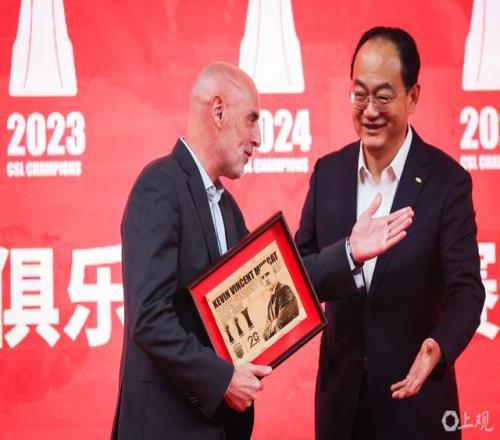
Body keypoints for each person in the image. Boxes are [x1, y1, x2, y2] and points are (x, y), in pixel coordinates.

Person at [295, 27, 485, 440]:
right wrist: (347, 254)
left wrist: (440, 346)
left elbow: (467, 290)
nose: (369, 110)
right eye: (359, 94)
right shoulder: (328, 174)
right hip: (341, 410)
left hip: (416, 404)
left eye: (383, 97)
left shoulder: (447, 182)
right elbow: (297, 276)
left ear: (413, 97)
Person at [110, 62, 272, 440]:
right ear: (218, 111)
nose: (259, 138)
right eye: (251, 119)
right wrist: (222, 379)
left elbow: (271, 281)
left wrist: (348, 253)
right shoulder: (160, 186)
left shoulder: (227, 208)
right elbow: (149, 318)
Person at [259, 262, 299, 340]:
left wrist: (273, 324)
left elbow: (282, 323)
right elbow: (265, 335)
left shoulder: (285, 290)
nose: (266, 279)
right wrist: (274, 323)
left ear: (274, 272)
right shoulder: (270, 304)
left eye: (267, 274)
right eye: (263, 277)